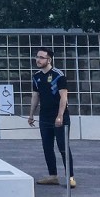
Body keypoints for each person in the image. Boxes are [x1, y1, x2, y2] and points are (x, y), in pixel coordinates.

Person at [28, 47, 76, 187]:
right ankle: (53, 175)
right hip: (45, 117)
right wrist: (31, 114)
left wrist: (60, 116)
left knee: (63, 146)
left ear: (49, 60)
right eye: (37, 57)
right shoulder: (36, 76)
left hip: (59, 117)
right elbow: (35, 96)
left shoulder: (58, 75)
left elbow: (64, 97)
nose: (38, 60)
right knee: (47, 147)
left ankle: (70, 177)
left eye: (42, 57)